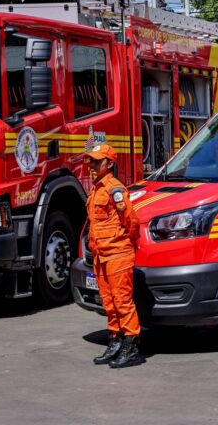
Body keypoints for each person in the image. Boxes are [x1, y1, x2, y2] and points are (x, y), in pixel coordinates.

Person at [85, 144, 143, 369]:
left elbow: (132, 220)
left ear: (109, 164)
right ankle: (116, 340)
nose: (91, 165)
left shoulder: (114, 189)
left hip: (118, 253)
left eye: (96, 161)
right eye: (90, 161)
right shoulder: (96, 189)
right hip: (101, 254)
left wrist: (127, 242)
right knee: (109, 302)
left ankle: (131, 346)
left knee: (122, 302)